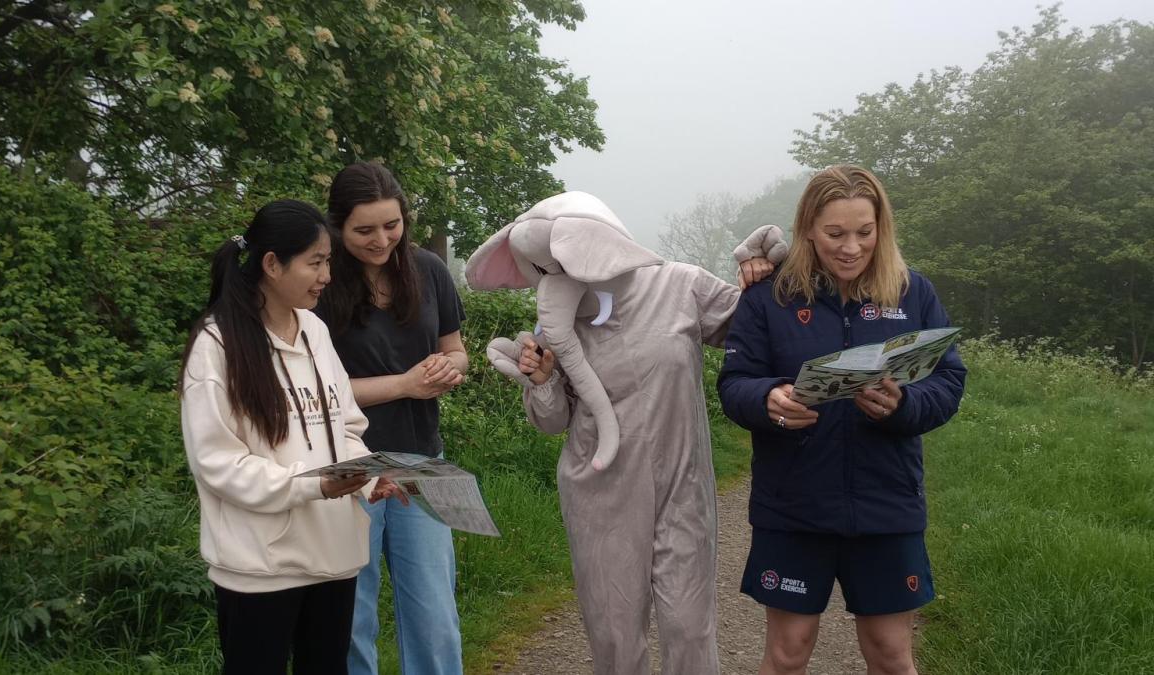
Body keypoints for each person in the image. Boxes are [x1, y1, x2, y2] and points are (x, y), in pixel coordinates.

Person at [466, 191, 782, 675]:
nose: (554, 279)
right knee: (613, 632)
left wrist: (764, 274)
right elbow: (552, 423)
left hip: (682, 484)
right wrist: (542, 379)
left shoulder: (681, 286)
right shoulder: (556, 327)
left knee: (688, 625)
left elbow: (759, 331)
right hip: (600, 493)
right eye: (543, 270)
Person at [717, 165, 966, 675]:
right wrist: (769, 399)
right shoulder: (771, 296)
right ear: (808, 228)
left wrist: (903, 407)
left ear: (882, 228)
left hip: (886, 502)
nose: (851, 247)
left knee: (891, 654)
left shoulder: (912, 292)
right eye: (835, 233)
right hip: (793, 505)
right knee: (787, 654)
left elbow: (948, 382)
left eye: (864, 232)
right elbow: (735, 383)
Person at [179, 199, 407, 674]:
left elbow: (345, 426)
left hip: (334, 556)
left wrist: (367, 477)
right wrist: (314, 484)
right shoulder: (218, 345)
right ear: (271, 264)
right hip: (260, 567)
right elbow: (218, 463)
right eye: (316, 262)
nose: (327, 275)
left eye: (328, 262)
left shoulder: (315, 331)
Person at [315, 162, 467, 675]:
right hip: (345, 468)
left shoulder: (428, 270)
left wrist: (449, 368)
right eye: (364, 230)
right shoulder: (319, 282)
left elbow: (456, 350)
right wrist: (405, 385)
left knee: (434, 608)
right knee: (350, 613)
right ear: (337, 227)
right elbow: (313, 393)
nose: (381, 240)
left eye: (391, 225)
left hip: (422, 459)